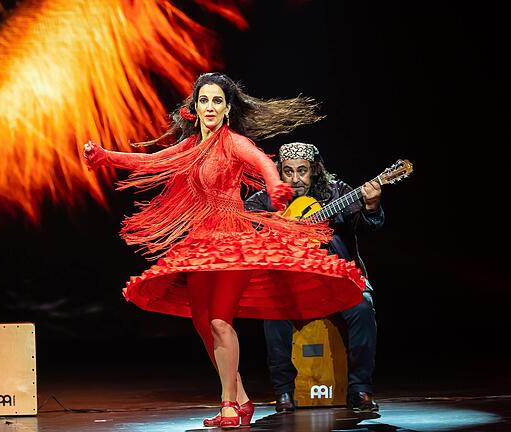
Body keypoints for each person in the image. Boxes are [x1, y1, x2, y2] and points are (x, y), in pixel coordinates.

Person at [83, 72, 366, 428]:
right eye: (205, 100)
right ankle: (243, 400)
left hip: (233, 244)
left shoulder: (233, 142)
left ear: (228, 107)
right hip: (201, 244)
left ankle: (228, 403)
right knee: (204, 324)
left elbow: (264, 162)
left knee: (219, 320)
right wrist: (105, 157)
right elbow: (151, 162)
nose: (211, 106)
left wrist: (276, 185)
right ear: (195, 108)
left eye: (218, 100)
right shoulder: (189, 148)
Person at [244, 142, 382, 413]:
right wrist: (279, 228)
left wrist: (371, 207)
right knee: (273, 312)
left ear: (314, 171)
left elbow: (368, 226)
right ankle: (284, 391)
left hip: (336, 278)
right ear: (279, 173)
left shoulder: (337, 193)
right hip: (291, 282)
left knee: (364, 308)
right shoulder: (263, 200)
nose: (295, 180)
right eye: (288, 172)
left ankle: (360, 389)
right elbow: (245, 227)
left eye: (302, 171)